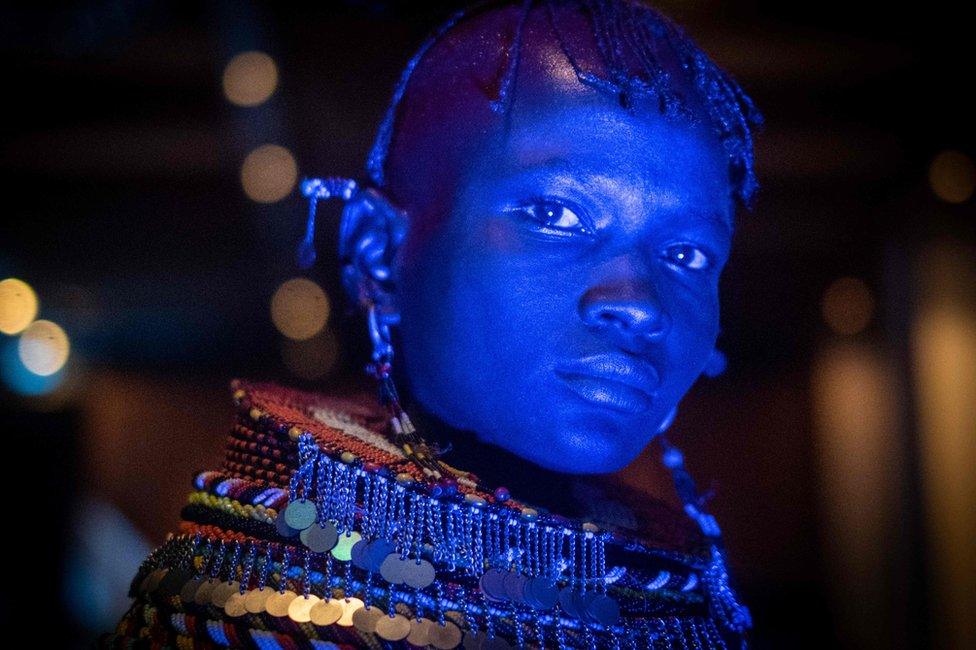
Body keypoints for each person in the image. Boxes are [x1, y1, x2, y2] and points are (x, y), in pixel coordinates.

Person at [100, 0, 763, 647]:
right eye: (554, 214)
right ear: (380, 254)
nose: (641, 302)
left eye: (687, 254)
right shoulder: (251, 613)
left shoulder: (674, 601)